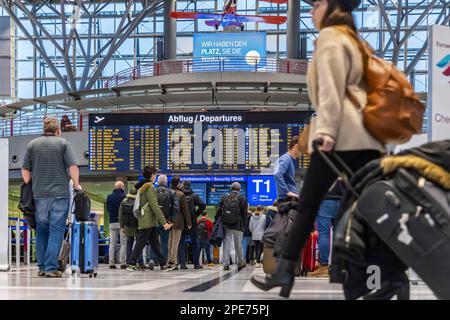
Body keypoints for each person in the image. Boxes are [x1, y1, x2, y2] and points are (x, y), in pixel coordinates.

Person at [251, 0, 385, 298]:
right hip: (365, 137)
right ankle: (380, 274)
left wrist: (324, 131)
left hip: (341, 136)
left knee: (310, 204)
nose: (312, 10)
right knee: (356, 211)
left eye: (319, 4)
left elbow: (333, 89)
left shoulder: (332, 38)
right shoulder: (353, 38)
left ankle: (286, 272)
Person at [21, 117, 81, 278]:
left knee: (41, 230)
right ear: (57, 131)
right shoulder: (63, 144)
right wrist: (76, 185)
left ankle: (41, 267)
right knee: (56, 231)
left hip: (39, 195)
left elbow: (25, 170)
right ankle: (50, 268)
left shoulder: (32, 145)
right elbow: (73, 167)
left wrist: (31, 185)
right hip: (60, 195)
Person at [127, 166, 172, 271]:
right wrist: (164, 222)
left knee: (155, 244)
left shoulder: (143, 186)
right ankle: (131, 263)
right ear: (152, 175)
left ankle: (163, 264)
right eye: (155, 174)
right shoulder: (150, 187)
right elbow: (154, 205)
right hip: (148, 220)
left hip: (147, 219)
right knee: (141, 242)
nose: (155, 176)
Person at [309, 179, 345, 277]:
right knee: (340, 233)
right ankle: (338, 266)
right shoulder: (344, 163)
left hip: (326, 200)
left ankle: (323, 266)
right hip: (343, 200)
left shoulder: (324, 163)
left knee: (324, 233)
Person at [215, 182, 248, 271]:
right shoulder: (242, 198)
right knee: (238, 245)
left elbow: (219, 210)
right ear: (239, 189)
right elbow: (245, 214)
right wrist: (245, 225)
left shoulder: (224, 197)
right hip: (238, 224)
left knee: (226, 244)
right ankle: (241, 263)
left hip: (226, 224)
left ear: (231, 188)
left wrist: (217, 221)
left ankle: (226, 264)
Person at [165, 176, 192, 271]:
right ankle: (173, 262)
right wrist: (189, 222)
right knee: (175, 242)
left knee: (169, 242)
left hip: (167, 221)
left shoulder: (167, 192)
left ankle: (168, 260)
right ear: (179, 183)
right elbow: (185, 210)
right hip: (178, 221)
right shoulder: (181, 194)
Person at [178, 180, 206, 269]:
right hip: (192, 221)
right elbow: (202, 205)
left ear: (182, 185)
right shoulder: (194, 195)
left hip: (181, 221)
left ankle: (182, 264)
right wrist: (196, 214)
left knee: (181, 242)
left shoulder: (179, 195)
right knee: (194, 242)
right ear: (190, 186)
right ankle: (196, 264)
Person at [148, 175, 173, 270]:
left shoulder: (152, 191)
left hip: (154, 221)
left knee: (153, 241)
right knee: (164, 242)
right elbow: (173, 207)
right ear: (166, 182)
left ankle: (152, 260)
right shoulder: (170, 192)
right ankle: (163, 262)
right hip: (165, 221)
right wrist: (171, 220)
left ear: (157, 182)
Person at [118, 187, 144, 267]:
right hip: (138, 225)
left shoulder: (124, 201)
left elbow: (120, 215)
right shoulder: (139, 201)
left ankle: (129, 262)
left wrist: (122, 226)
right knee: (139, 244)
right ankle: (140, 262)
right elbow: (141, 214)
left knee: (129, 244)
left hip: (127, 225)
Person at [273, 136, 301, 202]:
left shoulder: (288, 159)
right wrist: (286, 192)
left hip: (288, 198)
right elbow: (277, 173)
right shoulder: (286, 158)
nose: (303, 152)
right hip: (287, 199)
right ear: (296, 146)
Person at [107, 181, 127, 269]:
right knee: (123, 243)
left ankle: (111, 263)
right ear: (122, 187)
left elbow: (108, 209)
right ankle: (122, 262)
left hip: (112, 222)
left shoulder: (109, 197)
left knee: (112, 244)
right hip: (122, 223)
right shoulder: (124, 197)